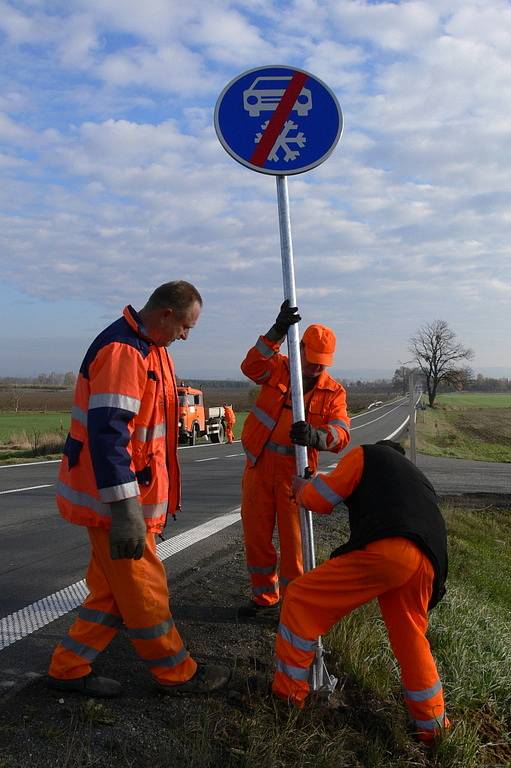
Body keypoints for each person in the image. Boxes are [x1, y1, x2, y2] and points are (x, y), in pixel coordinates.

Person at [47, 281, 229, 698]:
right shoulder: (124, 352)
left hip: (127, 501)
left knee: (112, 591)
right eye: (186, 326)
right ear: (165, 314)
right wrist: (126, 512)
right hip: (113, 505)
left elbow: (154, 438)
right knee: (146, 589)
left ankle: (68, 666)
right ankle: (177, 673)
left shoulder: (152, 349)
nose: (186, 335)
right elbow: (110, 435)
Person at [272, 440, 449, 746]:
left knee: (300, 598)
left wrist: (302, 488)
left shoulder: (367, 455)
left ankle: (287, 698)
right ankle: (434, 728)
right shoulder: (417, 478)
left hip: (391, 549)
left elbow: (323, 498)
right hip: (428, 563)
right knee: (411, 640)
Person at [238, 300, 350, 619]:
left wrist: (315, 436)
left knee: (294, 549)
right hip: (259, 468)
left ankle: (292, 607)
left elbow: (341, 434)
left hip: (295, 476)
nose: (316, 368)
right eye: (312, 360)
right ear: (299, 349)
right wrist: (275, 331)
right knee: (257, 540)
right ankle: (264, 598)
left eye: (322, 363)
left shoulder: (334, 393)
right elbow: (250, 367)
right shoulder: (278, 366)